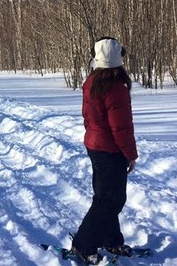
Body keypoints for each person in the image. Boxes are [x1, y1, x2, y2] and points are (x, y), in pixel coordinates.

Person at [71, 37, 138, 265]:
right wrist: (130, 154)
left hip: (95, 146)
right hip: (110, 150)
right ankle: (83, 244)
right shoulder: (115, 87)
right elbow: (121, 127)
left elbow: (87, 117)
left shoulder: (92, 81)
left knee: (106, 197)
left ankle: (111, 239)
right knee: (110, 200)